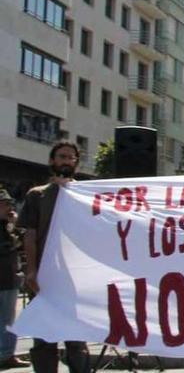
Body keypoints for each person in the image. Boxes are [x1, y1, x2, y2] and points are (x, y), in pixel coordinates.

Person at [19, 141, 91, 373]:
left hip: (75, 280)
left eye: (71, 158)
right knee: (44, 339)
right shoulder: (37, 196)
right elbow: (30, 235)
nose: (67, 161)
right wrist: (31, 270)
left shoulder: (86, 196)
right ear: (52, 161)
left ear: (76, 164)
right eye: (62, 156)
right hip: (44, 278)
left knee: (76, 341)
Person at [0, 189, 29, 369]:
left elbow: (25, 241)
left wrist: (17, 224)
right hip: (3, 278)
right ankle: (5, 353)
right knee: (5, 319)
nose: (9, 207)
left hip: (9, 279)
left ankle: (7, 353)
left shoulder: (9, 225)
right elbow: (6, 247)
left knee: (8, 320)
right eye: (4, 204)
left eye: (10, 204)